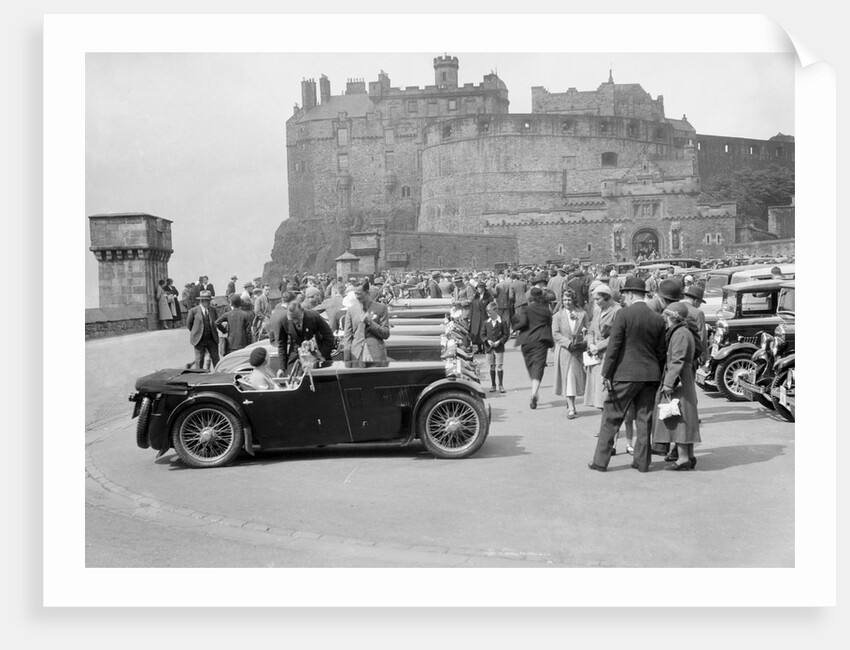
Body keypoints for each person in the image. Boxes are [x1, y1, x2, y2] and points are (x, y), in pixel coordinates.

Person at [588, 276, 666, 473]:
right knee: (644, 419)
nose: (624, 298)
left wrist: (606, 373)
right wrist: (658, 374)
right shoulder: (657, 318)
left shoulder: (623, 314)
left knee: (611, 417)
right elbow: (661, 351)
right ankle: (642, 462)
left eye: (625, 295)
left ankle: (600, 461)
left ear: (630, 294)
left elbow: (614, 346)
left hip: (625, 373)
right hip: (650, 374)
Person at [653, 302, 701, 471]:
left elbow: (677, 359)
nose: (663, 318)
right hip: (683, 378)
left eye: (665, 315)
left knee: (680, 419)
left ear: (671, 317)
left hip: (679, 380)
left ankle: (683, 458)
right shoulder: (683, 331)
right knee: (684, 417)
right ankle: (689, 456)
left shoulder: (680, 333)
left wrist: (668, 382)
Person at [514, 286, 554, 410]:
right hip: (541, 341)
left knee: (530, 365)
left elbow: (523, 323)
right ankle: (534, 392)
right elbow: (550, 324)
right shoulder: (546, 311)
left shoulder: (526, 309)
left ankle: (534, 388)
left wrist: (514, 327)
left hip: (526, 342)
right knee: (538, 366)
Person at [583, 284, 620, 410]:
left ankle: (607, 415)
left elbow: (616, 335)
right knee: (597, 390)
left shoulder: (617, 311)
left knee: (604, 388)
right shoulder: (597, 310)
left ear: (607, 297)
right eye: (594, 299)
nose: (596, 302)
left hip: (607, 354)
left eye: (598, 299)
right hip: (595, 354)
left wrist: (598, 346)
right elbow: (591, 330)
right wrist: (590, 343)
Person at [552, 288, 588, 419]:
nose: (566, 302)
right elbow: (555, 334)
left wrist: (584, 341)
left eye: (569, 299)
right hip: (565, 351)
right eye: (564, 300)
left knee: (576, 378)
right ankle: (571, 407)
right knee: (568, 378)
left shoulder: (582, 314)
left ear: (574, 300)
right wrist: (568, 343)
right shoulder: (557, 316)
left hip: (578, 351)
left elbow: (588, 330)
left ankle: (571, 403)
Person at [276, 296, 334, 373]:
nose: (295, 321)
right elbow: (282, 344)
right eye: (292, 319)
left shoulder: (314, 316)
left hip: (316, 356)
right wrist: (282, 368)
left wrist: (322, 354)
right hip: (296, 359)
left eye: (297, 317)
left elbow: (329, 336)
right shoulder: (283, 320)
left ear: (302, 311)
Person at [343, 278, 391, 364]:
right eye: (355, 294)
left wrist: (369, 322)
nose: (357, 296)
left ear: (367, 293)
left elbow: (386, 333)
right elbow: (347, 336)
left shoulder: (381, 308)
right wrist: (347, 357)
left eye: (359, 294)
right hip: (357, 355)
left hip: (376, 355)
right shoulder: (351, 310)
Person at [186, 290, 220, 369]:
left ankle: (218, 374)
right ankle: (199, 375)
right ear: (201, 301)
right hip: (199, 340)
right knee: (199, 360)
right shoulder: (193, 311)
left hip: (212, 339)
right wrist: (197, 332)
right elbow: (189, 324)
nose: (209, 302)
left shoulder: (213, 310)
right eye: (207, 300)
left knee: (216, 359)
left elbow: (216, 322)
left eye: (209, 300)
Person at [482, 301, 510, 393]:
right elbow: (482, 334)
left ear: (496, 311)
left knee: (499, 366)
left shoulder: (502, 322)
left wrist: (500, 341)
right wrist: (487, 340)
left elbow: (506, 334)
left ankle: (501, 385)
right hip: (489, 348)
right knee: (492, 366)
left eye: (490, 313)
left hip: (499, 347)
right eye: (487, 313)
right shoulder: (486, 322)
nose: (488, 315)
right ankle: (493, 385)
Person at [468, 282, 492, 354]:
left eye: (480, 288)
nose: (478, 289)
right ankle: (479, 349)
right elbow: (472, 307)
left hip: (484, 317)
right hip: (475, 317)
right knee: (477, 332)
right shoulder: (475, 297)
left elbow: (491, 306)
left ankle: (485, 348)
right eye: (477, 288)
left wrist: (491, 316)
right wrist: (470, 317)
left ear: (483, 288)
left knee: (484, 332)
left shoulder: (488, 297)